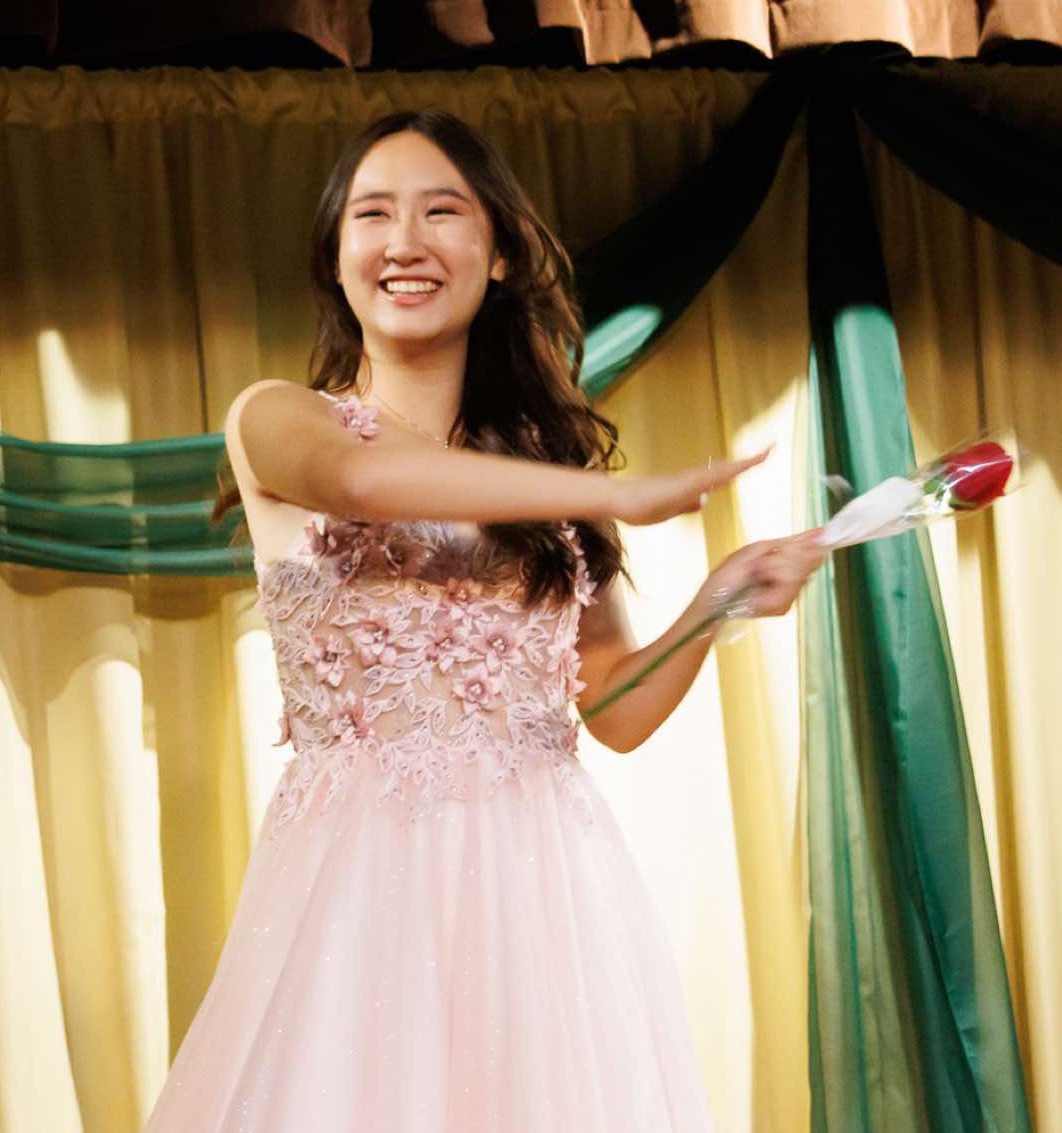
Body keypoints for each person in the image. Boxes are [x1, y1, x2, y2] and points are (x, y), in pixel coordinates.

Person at [144, 110, 825, 1131]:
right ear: (335, 259)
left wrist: (714, 605)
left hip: (545, 891)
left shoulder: (544, 473)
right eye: (372, 214)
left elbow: (613, 708)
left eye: (441, 211)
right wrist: (614, 495)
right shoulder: (279, 416)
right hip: (361, 883)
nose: (403, 242)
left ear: (499, 254)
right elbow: (361, 479)